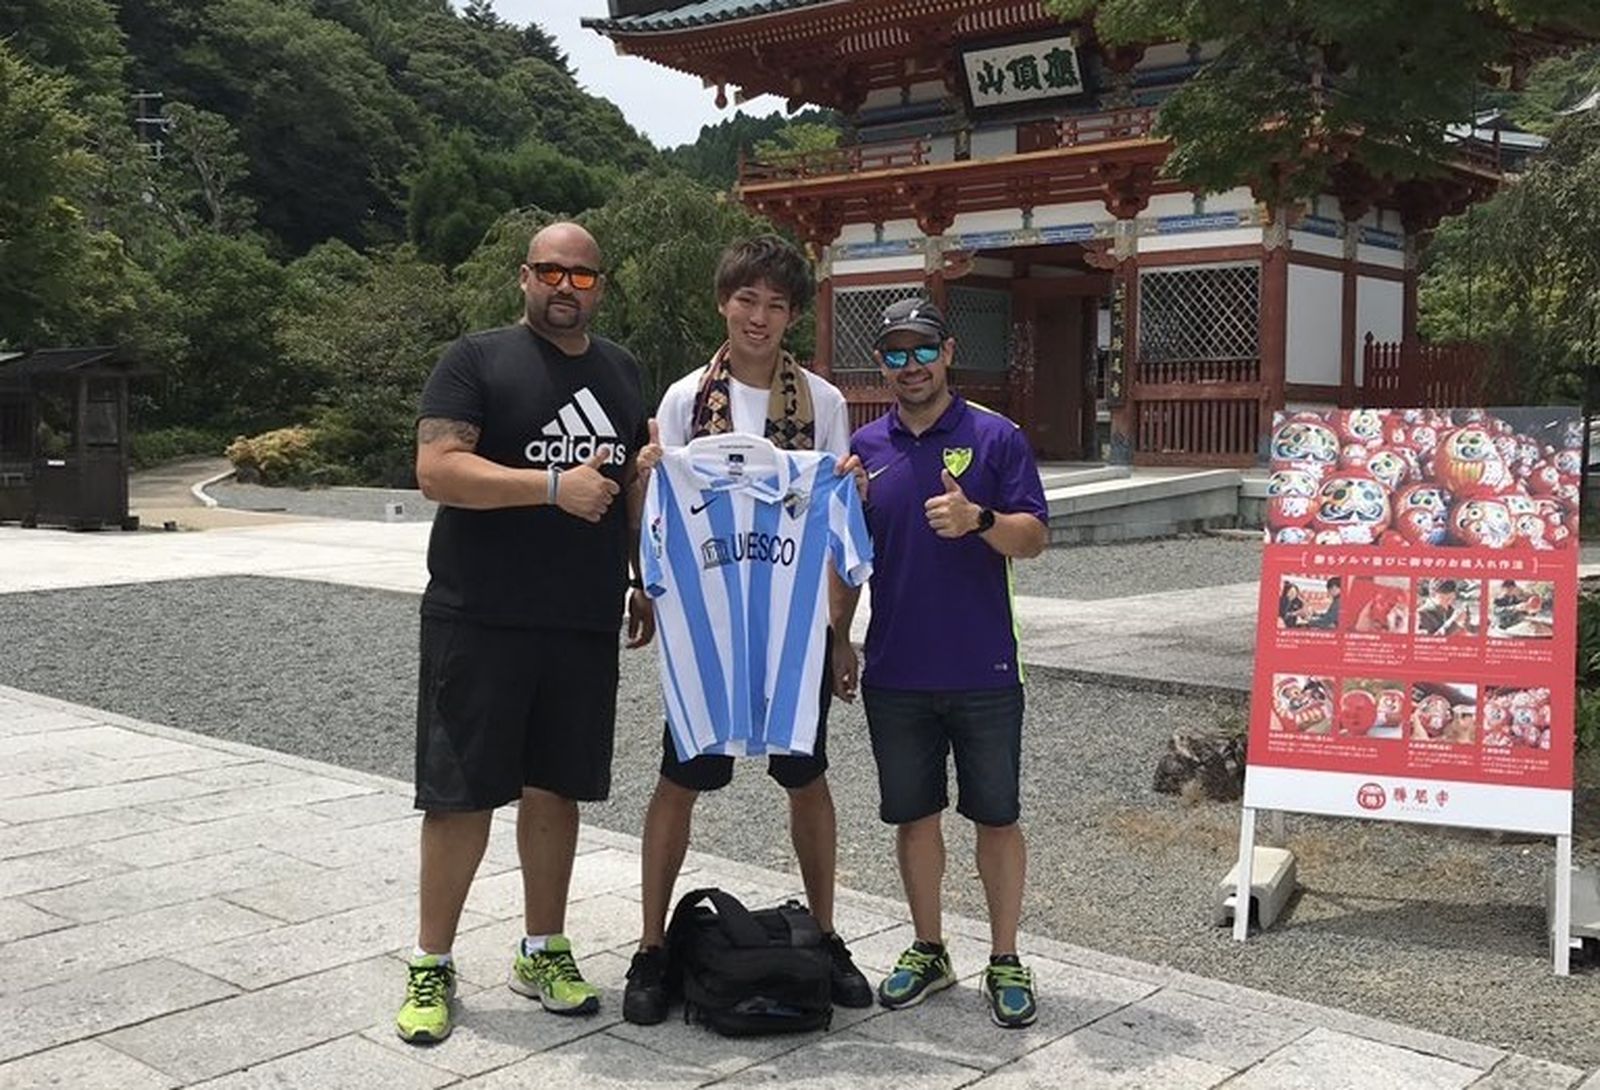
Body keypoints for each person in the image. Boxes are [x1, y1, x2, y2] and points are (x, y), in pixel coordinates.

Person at [395, 222, 663, 1043]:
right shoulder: (475, 359)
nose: (564, 285)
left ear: (600, 287)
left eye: (581, 275)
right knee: (460, 794)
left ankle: (543, 946)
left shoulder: (621, 372)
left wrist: (640, 575)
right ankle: (431, 963)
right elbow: (438, 469)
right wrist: (549, 485)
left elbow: (624, 490)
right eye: (550, 270)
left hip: (580, 619)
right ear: (523, 277)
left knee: (557, 789)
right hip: (479, 612)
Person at [621, 234, 873, 1025]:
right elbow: (656, 514)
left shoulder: (823, 404)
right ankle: (652, 945)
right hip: (710, 627)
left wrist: (839, 633)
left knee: (806, 776)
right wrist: (646, 575)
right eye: (746, 300)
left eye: (775, 304)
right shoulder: (684, 399)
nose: (758, 317)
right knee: (680, 779)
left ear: (794, 314)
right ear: (722, 302)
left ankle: (827, 934)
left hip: (791, 627)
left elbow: (836, 529)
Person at [833, 297, 1049, 1029]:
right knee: (914, 818)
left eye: (921, 349)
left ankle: (1006, 956)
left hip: (985, 667)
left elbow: (1034, 538)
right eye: (893, 353)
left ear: (948, 351)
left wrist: (979, 519)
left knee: (996, 816)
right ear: (882, 364)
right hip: (895, 665)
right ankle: (929, 946)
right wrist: (840, 637)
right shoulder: (866, 447)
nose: (909, 366)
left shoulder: (996, 438)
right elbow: (847, 558)